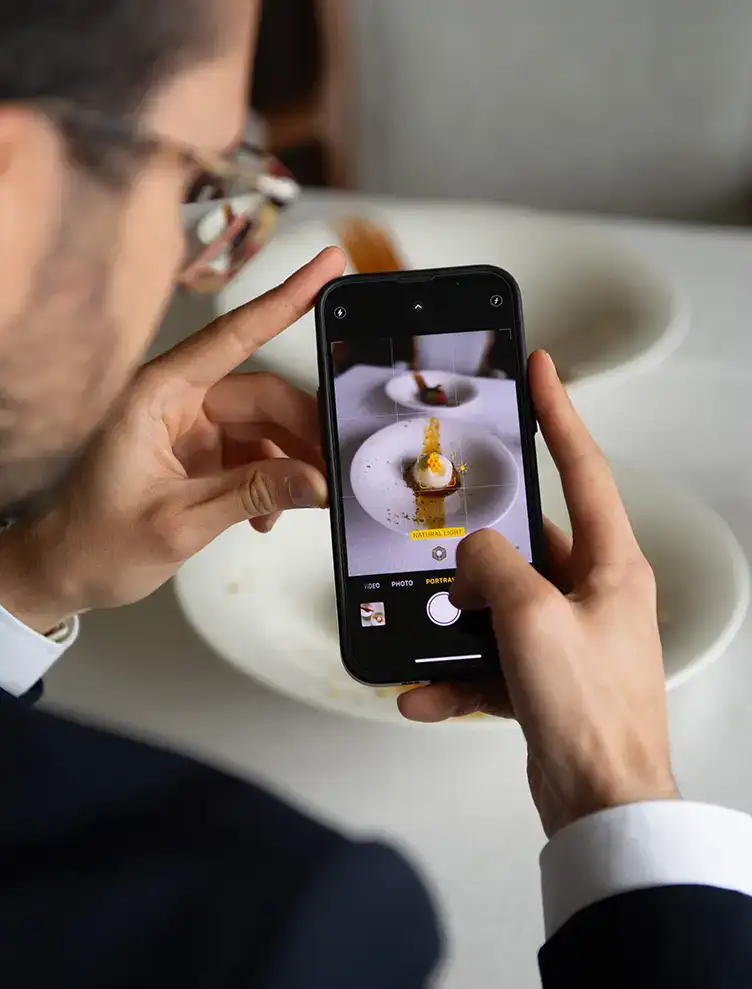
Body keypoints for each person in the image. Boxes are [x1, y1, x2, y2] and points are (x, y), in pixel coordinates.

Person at [0, 3, 751, 987]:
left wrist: (30, 580)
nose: (196, 263)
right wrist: (619, 786)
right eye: (200, 184)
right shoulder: (269, 924)